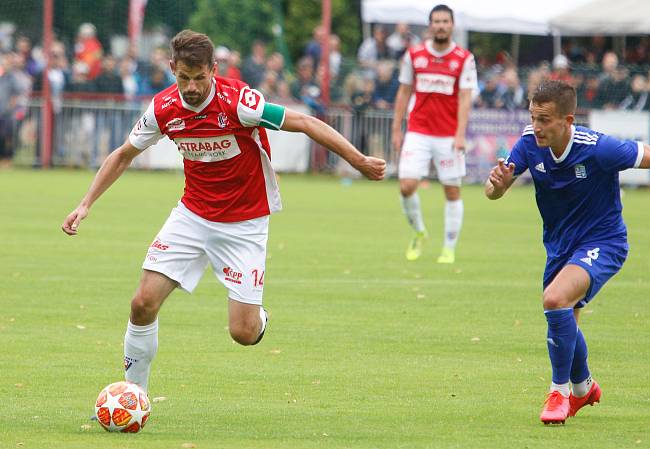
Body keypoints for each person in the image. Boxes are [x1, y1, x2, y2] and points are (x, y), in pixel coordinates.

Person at [61, 30, 386, 393]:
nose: (192, 87)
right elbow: (123, 154)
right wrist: (85, 203)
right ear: (172, 68)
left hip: (245, 224)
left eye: (200, 78)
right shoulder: (163, 108)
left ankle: (259, 316)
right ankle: (133, 395)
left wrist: (357, 160)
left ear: (214, 70)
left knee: (244, 333)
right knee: (142, 303)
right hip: (192, 216)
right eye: (184, 77)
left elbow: (306, 123)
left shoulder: (241, 103)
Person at [485, 80, 650, 425]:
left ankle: (558, 393)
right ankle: (583, 389)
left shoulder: (598, 148)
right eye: (533, 117)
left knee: (554, 300)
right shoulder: (528, 143)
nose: (536, 126)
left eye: (545, 119)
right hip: (559, 246)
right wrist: (498, 186)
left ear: (568, 120)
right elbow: (493, 191)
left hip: (604, 242)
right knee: (564, 319)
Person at [391, 4, 478, 264]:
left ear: (452, 25)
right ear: (430, 25)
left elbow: (465, 98)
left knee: (452, 191)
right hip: (418, 131)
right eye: (436, 21)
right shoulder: (414, 55)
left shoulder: (464, 58)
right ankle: (419, 232)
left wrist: (460, 134)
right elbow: (404, 92)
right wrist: (397, 129)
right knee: (406, 185)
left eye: (445, 21)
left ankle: (449, 247)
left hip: (449, 135)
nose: (440, 25)